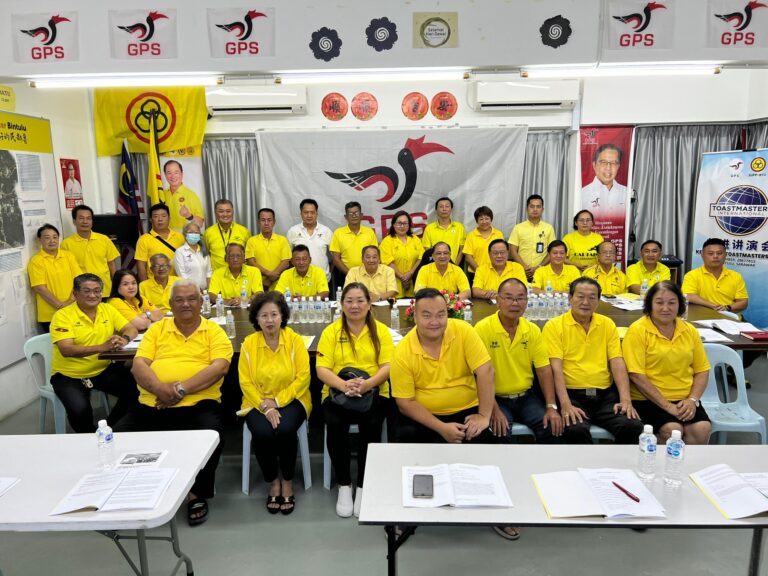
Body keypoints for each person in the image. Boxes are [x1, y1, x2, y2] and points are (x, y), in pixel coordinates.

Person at [114, 279, 233, 526]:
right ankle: (138, 489)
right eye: (179, 300)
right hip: (151, 401)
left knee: (212, 435)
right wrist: (161, 389)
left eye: (191, 299)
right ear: (170, 304)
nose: (185, 304)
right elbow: (138, 365)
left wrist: (178, 390)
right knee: (117, 440)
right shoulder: (157, 330)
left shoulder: (214, 331)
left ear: (201, 302)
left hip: (198, 402)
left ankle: (196, 493)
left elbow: (220, 367)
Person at [316, 283, 394, 518]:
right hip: (337, 392)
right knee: (335, 424)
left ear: (369, 304)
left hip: (374, 391)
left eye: (360, 300)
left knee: (372, 424)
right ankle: (344, 484)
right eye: (349, 301)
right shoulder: (331, 332)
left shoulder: (381, 331)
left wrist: (367, 385)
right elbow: (322, 369)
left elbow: (388, 367)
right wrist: (344, 386)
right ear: (341, 304)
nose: (355, 306)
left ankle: (362, 486)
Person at [542, 277, 643, 444]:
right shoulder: (554, 326)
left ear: (598, 301)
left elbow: (617, 362)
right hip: (571, 395)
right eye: (580, 296)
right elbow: (556, 369)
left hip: (604, 395)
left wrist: (625, 400)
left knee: (632, 426)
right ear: (570, 298)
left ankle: (612, 462)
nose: (585, 302)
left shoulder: (607, 324)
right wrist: (565, 404)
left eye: (591, 297)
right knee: (575, 429)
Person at [239, 291, 311, 515]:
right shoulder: (249, 344)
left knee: (285, 428)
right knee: (262, 432)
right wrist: (265, 406)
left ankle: (287, 481)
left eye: (274, 314)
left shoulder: (295, 341)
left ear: (282, 316)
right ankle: (273, 481)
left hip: (293, 398)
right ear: (256, 319)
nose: (269, 320)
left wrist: (277, 401)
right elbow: (245, 382)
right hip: (257, 401)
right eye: (264, 315)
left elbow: (303, 378)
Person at [391, 287, 494, 444]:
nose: (434, 322)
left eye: (441, 314)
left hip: (467, 410)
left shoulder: (463, 331)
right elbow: (405, 403)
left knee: (486, 445)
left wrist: (483, 416)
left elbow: (486, 371)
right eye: (427, 316)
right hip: (424, 416)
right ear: (415, 317)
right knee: (407, 438)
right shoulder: (402, 351)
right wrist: (442, 428)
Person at [475, 278, 563, 444]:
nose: (515, 303)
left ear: (527, 302)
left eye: (520, 298)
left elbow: (544, 371)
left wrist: (551, 406)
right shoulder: (482, 329)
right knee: (499, 432)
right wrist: (492, 409)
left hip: (526, 398)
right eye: (508, 297)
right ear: (497, 300)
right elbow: (478, 374)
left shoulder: (532, 330)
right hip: (495, 398)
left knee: (552, 427)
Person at [623, 281, 711, 444]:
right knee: (672, 429)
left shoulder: (689, 330)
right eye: (659, 302)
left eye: (672, 303)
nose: (665, 308)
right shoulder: (637, 330)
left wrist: (692, 400)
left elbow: (702, 370)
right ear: (649, 304)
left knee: (702, 429)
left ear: (680, 305)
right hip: (648, 399)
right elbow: (635, 375)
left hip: (684, 398)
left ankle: (687, 463)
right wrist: (668, 406)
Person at [49, 273, 138, 433]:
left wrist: (124, 339)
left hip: (101, 370)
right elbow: (66, 350)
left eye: (97, 291)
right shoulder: (62, 316)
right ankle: (89, 437)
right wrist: (102, 347)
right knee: (80, 411)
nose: (93, 295)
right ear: (75, 293)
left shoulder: (107, 309)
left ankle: (108, 429)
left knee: (137, 390)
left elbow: (131, 328)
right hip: (69, 376)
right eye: (87, 291)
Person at [28, 224, 82, 330]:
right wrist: (61, 306)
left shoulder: (68, 256)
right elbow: (39, 288)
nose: (52, 241)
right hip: (50, 315)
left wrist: (70, 301)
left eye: (55, 237)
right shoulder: (36, 261)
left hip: (74, 310)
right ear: (40, 240)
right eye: (47, 238)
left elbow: (79, 280)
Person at [61, 205, 120, 294]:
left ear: (92, 221)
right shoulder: (66, 244)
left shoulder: (104, 239)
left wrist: (116, 287)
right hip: (82, 292)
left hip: (105, 289)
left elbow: (112, 265)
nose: (85, 221)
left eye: (88, 218)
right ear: (74, 221)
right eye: (81, 218)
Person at [682, 238, 748, 313]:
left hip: (729, 316)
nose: (715, 256)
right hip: (702, 316)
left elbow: (743, 302)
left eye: (719, 253)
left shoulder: (736, 276)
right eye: (710, 253)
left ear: (725, 255)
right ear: (702, 255)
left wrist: (726, 308)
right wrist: (713, 306)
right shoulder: (692, 275)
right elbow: (688, 296)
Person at [508, 194, 556, 281]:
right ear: (527, 209)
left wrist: (539, 267)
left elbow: (552, 251)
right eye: (532, 206)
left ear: (542, 209)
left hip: (542, 271)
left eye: (538, 206)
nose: (535, 209)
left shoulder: (549, 228)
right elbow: (513, 251)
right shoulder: (518, 228)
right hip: (521, 271)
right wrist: (524, 267)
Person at [330, 201, 378, 286]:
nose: (354, 216)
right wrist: (351, 274)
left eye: (356, 213)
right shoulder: (338, 233)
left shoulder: (369, 232)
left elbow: (374, 255)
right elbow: (336, 259)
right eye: (350, 213)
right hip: (345, 275)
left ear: (361, 215)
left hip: (367, 275)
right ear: (346, 217)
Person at [135, 203, 185, 281]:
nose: (160, 219)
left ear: (169, 218)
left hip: (178, 283)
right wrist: (145, 285)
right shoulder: (144, 239)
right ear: (151, 220)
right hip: (155, 284)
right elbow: (141, 266)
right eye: (156, 216)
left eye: (163, 216)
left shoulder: (180, 237)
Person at [245, 208, 292, 291]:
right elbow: (251, 262)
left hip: (280, 284)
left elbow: (286, 262)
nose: (266, 223)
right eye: (263, 220)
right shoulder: (251, 241)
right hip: (259, 284)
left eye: (269, 220)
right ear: (258, 222)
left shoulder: (283, 240)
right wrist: (269, 274)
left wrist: (270, 279)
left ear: (274, 222)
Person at [380, 210, 424, 297]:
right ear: (393, 224)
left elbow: (421, 257)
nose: (402, 226)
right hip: (394, 285)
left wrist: (410, 273)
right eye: (399, 223)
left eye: (405, 223)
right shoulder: (387, 241)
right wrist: (402, 277)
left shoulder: (415, 239)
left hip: (413, 283)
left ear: (409, 225)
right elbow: (387, 262)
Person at [287, 198, 333, 281]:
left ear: (316, 214)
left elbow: (335, 256)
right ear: (301, 214)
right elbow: (288, 256)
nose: (309, 215)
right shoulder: (293, 231)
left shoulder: (326, 231)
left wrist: (329, 271)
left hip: (322, 279)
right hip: (299, 279)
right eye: (306, 212)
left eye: (312, 212)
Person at [203, 199, 250, 271]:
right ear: (216, 213)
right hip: (217, 275)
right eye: (221, 211)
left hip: (240, 274)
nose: (225, 214)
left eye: (228, 211)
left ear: (233, 212)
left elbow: (248, 256)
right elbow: (206, 255)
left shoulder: (244, 231)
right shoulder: (208, 233)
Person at [581, 144, 627, 218]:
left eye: (613, 163)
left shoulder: (627, 193)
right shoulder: (582, 195)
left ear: (618, 166)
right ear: (594, 165)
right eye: (603, 162)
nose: (608, 168)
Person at [421, 196, 466, 266]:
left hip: (454, 266)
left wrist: (455, 266)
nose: (444, 209)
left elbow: (462, 250)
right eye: (441, 206)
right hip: (434, 266)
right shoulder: (429, 228)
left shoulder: (459, 227)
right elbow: (427, 249)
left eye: (447, 206)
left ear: (451, 209)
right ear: (436, 210)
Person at [463, 206, 505, 278]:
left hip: (495, 273)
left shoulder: (498, 234)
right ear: (477, 221)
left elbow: (502, 253)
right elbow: (468, 257)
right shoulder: (471, 235)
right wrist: (479, 271)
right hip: (475, 273)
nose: (484, 221)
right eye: (481, 219)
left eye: (487, 218)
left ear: (491, 219)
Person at [164, 160, 205, 232]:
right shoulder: (162, 194)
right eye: (169, 173)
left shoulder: (191, 195)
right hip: (166, 236)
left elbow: (200, 223)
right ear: (165, 175)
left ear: (182, 174)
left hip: (184, 237)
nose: (173, 176)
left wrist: (189, 216)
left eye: (176, 172)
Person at [174, 221, 211, 292]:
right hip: (189, 291)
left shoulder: (204, 250)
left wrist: (209, 291)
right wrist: (196, 290)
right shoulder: (180, 252)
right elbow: (182, 275)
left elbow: (208, 272)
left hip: (205, 292)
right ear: (184, 234)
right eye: (190, 232)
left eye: (196, 232)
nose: (194, 234)